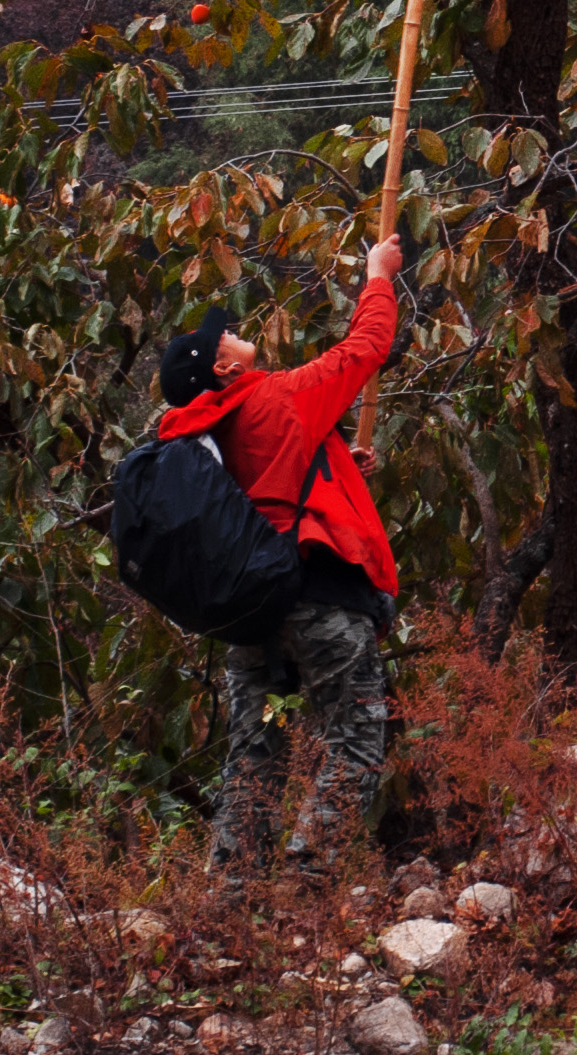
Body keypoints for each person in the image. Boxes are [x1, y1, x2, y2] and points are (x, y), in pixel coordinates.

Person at [154, 235, 407, 868]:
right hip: (316, 595)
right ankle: (309, 875)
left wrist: (336, 465)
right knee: (356, 737)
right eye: (226, 338)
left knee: (254, 752)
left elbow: (266, 485)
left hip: (252, 612)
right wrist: (378, 276)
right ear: (224, 368)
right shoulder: (275, 397)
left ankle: (231, 893)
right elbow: (364, 349)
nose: (236, 332)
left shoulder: (209, 432)